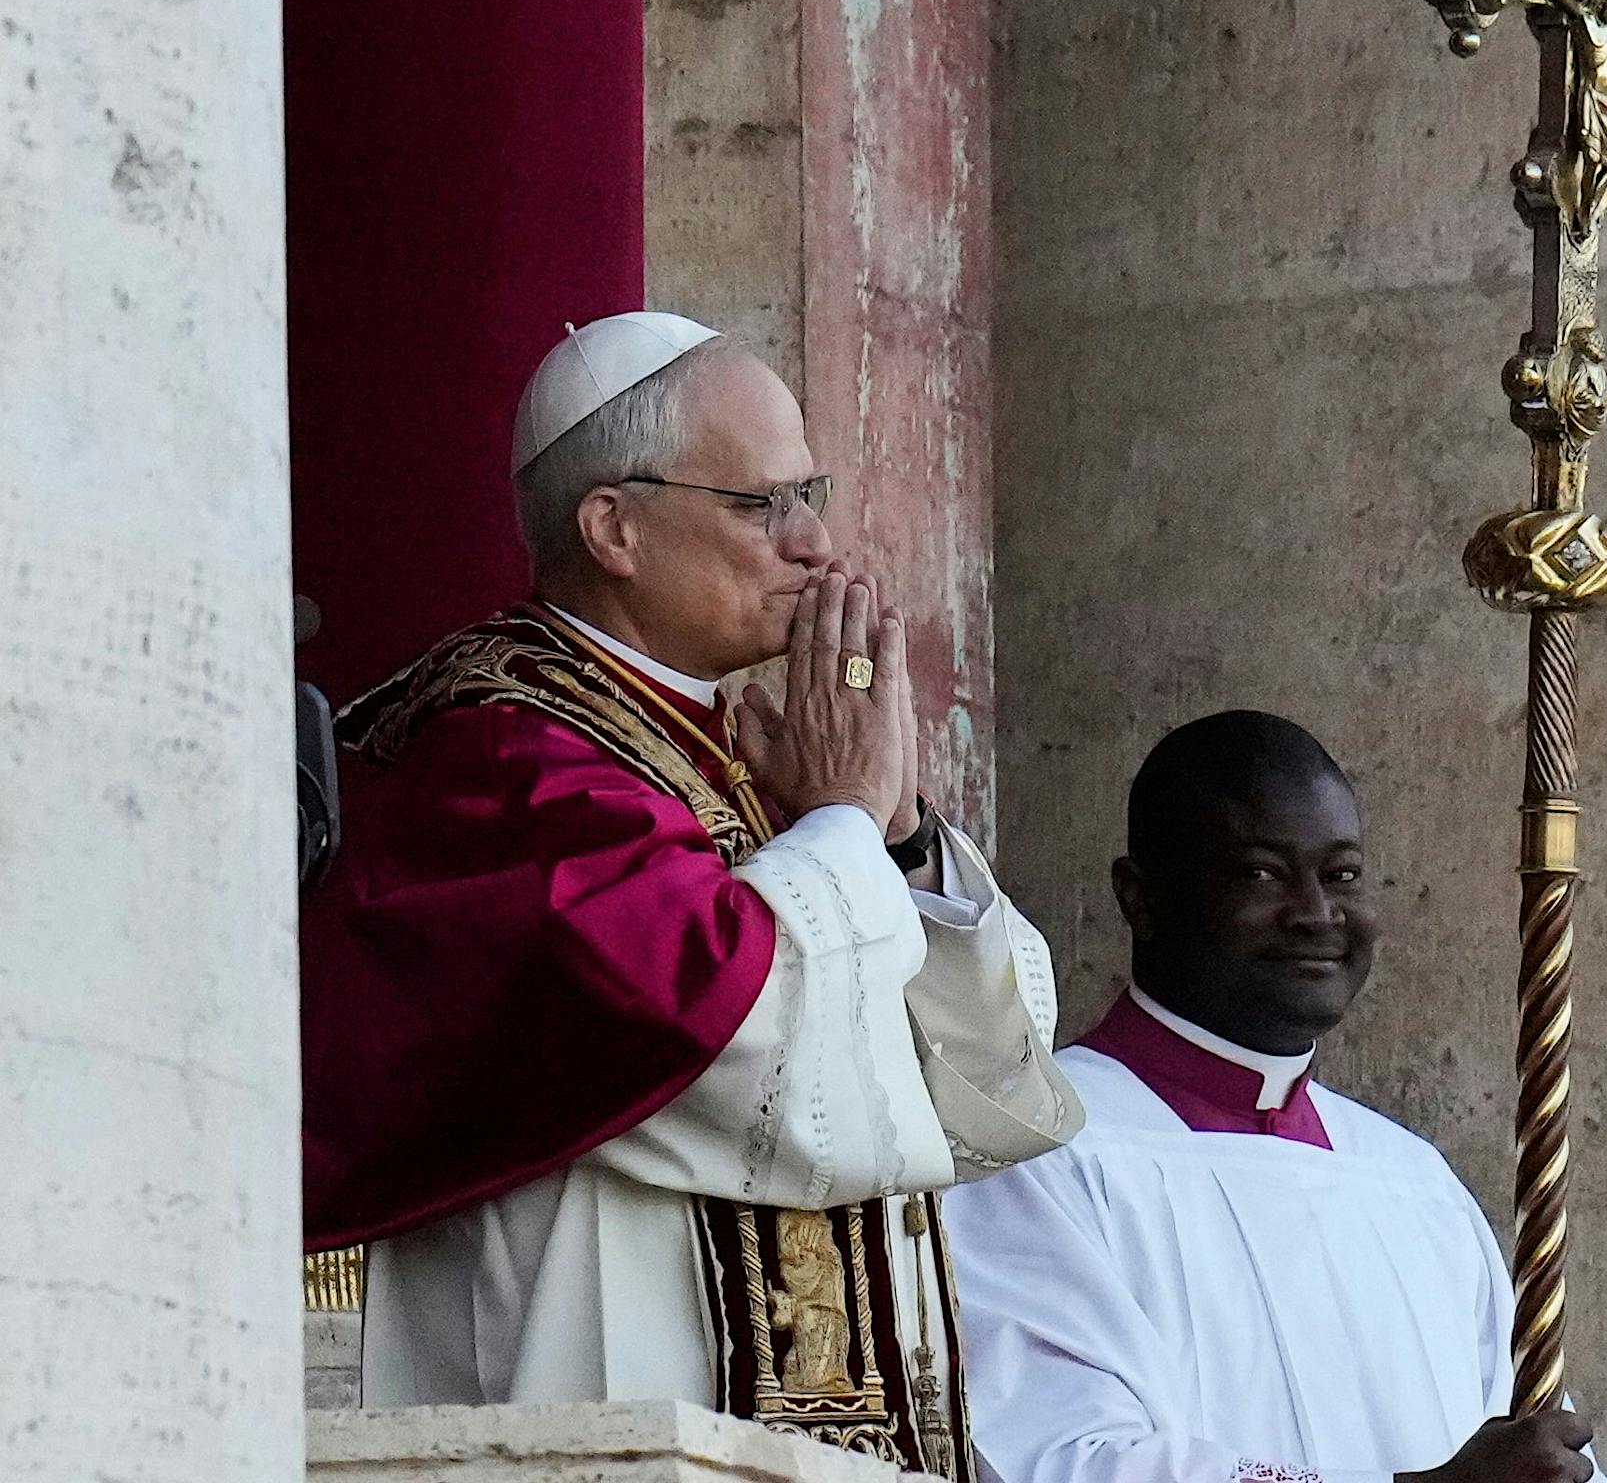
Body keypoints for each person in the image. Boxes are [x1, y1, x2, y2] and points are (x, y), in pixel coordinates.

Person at [300, 311, 1081, 1478]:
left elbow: (982, 1079)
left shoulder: (755, 755)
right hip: (604, 1398)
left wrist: (900, 831)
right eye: (761, 503)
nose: (815, 542)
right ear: (612, 525)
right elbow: (697, 1014)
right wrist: (843, 823)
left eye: (808, 491)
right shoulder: (506, 748)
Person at [943, 711, 1607, 1483]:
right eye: (1262, 873)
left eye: (1342, 874)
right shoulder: (1036, 1150)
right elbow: (1058, 1460)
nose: (1318, 914)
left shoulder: (1414, 1184)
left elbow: (1537, 1449)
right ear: (1141, 898)